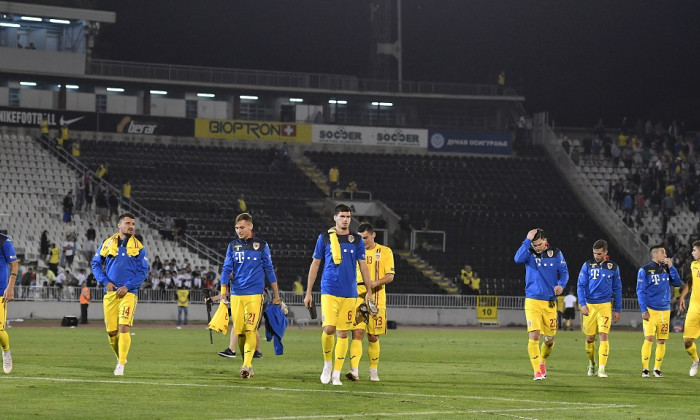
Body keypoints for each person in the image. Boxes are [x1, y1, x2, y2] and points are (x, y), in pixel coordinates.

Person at [304, 204, 372, 386]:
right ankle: (327, 365)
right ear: (335, 218)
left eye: (348, 216)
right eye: (342, 216)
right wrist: (308, 291)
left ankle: (336, 373)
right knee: (329, 329)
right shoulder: (325, 237)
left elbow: (363, 267)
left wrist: (369, 290)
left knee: (343, 333)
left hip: (350, 293)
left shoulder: (356, 240)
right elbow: (315, 264)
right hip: (329, 291)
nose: (345, 219)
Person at [219, 212, 281, 379]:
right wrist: (223, 290)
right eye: (237, 228)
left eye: (242, 227)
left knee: (250, 329)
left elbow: (269, 269)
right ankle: (248, 365)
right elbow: (226, 269)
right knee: (239, 331)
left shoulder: (261, 245)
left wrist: (276, 294)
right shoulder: (232, 245)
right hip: (236, 294)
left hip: (255, 295)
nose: (239, 231)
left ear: (250, 226)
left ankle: (246, 365)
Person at [91, 213, 149, 376]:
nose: (131, 226)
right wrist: (104, 281)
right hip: (109, 293)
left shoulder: (139, 247)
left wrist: (127, 286)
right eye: (128, 223)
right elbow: (96, 264)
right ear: (119, 225)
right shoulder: (107, 243)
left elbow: (143, 272)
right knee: (111, 332)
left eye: (133, 224)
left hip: (129, 294)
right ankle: (120, 357)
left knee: (124, 327)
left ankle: (121, 365)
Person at [514, 228, 569, 381]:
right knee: (534, 335)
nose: (536, 247)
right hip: (532, 300)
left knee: (549, 339)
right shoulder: (528, 253)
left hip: (550, 302)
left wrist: (561, 285)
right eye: (534, 245)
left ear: (545, 241)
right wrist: (527, 240)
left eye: (539, 244)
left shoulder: (556, 253)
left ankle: (542, 361)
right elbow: (517, 259)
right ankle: (537, 370)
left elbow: (564, 272)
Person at [346, 223, 394, 383]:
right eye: (360, 238)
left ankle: (373, 371)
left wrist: (373, 284)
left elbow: (390, 276)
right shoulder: (355, 251)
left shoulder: (385, 251)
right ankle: (354, 371)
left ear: (373, 235)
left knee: (373, 336)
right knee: (357, 333)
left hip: (377, 296)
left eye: (365, 237)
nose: (363, 241)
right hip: (358, 295)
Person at [577, 240, 622, 378]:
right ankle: (592, 363)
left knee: (603, 335)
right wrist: (583, 304)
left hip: (604, 306)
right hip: (589, 306)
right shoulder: (587, 265)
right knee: (590, 339)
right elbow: (580, 286)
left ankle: (602, 369)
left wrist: (617, 309)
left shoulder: (613, 267)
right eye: (595, 253)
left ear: (606, 252)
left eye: (599, 253)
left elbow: (617, 289)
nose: (596, 256)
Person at [637, 244, 681, 378]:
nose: (665, 255)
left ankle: (657, 369)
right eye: (663, 252)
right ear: (655, 255)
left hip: (664, 311)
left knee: (661, 340)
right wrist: (643, 309)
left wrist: (671, 266)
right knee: (649, 338)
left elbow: (677, 283)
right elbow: (640, 291)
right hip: (650, 310)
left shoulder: (667, 269)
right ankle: (645, 369)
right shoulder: (644, 270)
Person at [679, 241, 700, 376]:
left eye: (694, 250)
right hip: (695, 306)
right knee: (687, 341)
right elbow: (691, 282)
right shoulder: (694, 265)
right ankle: (696, 361)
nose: (692, 252)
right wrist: (682, 298)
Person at [0, 232, 19, 374]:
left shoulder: (4, 240)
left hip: (0, 292)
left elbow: (14, 265)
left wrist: (10, 287)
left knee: (0, 331)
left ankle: (6, 352)